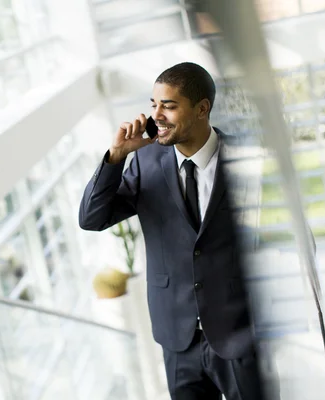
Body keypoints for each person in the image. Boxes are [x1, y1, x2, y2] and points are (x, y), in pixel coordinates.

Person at [79, 62, 267, 400]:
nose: (157, 115)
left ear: (201, 109)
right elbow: (92, 218)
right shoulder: (144, 162)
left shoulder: (245, 158)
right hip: (178, 339)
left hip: (239, 333)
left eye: (169, 105)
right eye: (154, 105)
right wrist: (116, 156)